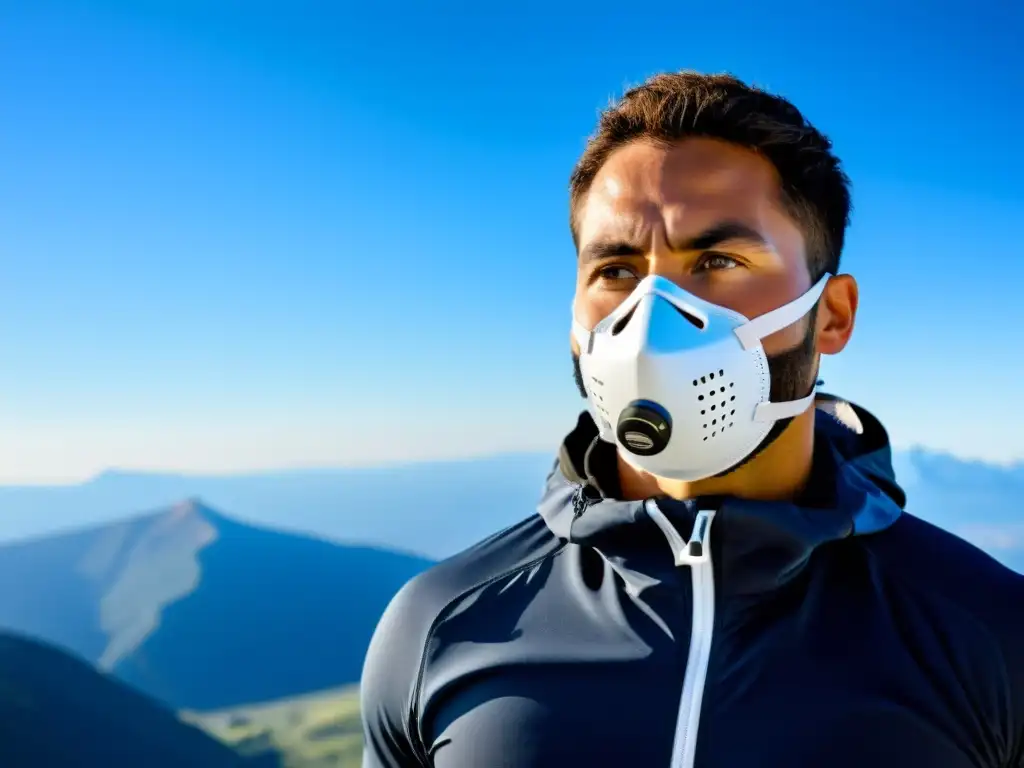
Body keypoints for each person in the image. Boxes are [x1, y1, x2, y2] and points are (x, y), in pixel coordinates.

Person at [359, 71, 1024, 768]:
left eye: (717, 260)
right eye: (615, 270)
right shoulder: (437, 627)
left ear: (831, 316)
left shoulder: (991, 638)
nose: (651, 322)